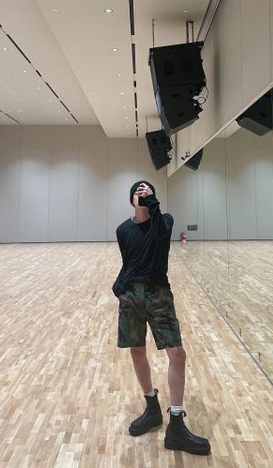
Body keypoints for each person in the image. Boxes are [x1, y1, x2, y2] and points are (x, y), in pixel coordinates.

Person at [112, 180, 211, 456]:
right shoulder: (123, 230)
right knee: (136, 352)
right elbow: (130, 262)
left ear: (154, 197)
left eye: (146, 189)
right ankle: (152, 408)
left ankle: (176, 425)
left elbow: (158, 240)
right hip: (131, 296)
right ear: (130, 199)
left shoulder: (164, 221)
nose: (141, 191)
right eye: (137, 190)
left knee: (177, 354)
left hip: (159, 295)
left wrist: (152, 205)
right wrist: (119, 287)